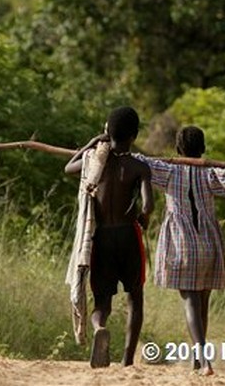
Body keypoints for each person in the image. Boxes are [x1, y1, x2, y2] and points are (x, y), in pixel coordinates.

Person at [143, 126, 225, 375]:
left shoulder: (169, 171)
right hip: (208, 243)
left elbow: (140, 163)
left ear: (178, 150)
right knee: (202, 300)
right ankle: (198, 358)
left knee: (191, 302)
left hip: (183, 244)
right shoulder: (210, 174)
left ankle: (203, 360)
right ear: (203, 150)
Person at [64, 106, 153, 368]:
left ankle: (99, 326)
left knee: (102, 298)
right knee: (135, 296)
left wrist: (92, 142)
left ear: (107, 131)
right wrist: (143, 220)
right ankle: (127, 359)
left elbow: (69, 167)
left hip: (100, 236)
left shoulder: (93, 162)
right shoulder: (139, 166)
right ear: (134, 135)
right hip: (128, 235)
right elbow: (147, 206)